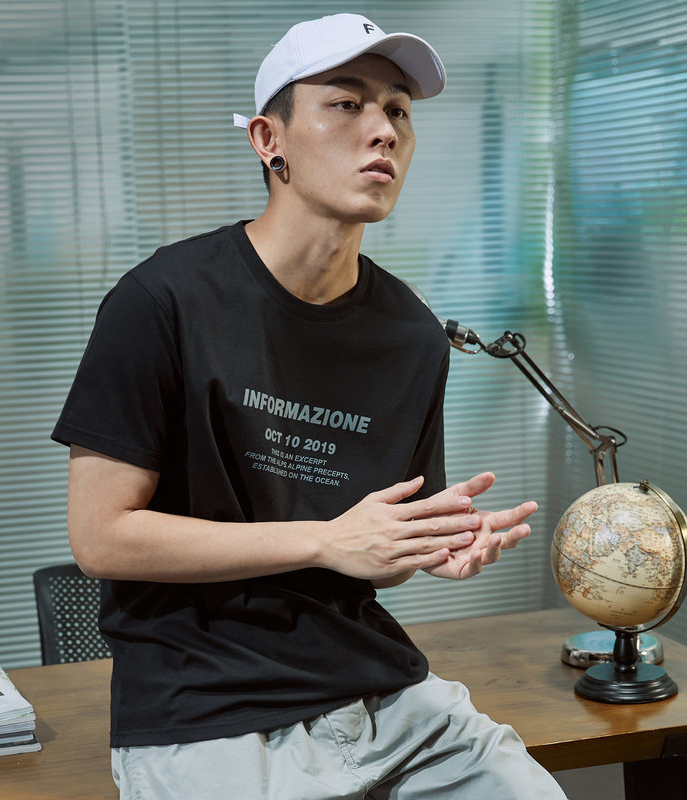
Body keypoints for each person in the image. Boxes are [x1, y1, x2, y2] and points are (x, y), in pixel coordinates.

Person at [52, 12, 567, 799]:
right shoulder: (160, 302)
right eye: (347, 103)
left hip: (384, 698)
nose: (383, 129)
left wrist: (426, 549)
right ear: (270, 140)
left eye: (398, 110)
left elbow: (371, 552)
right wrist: (328, 540)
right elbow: (100, 537)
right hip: (206, 707)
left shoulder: (412, 335)